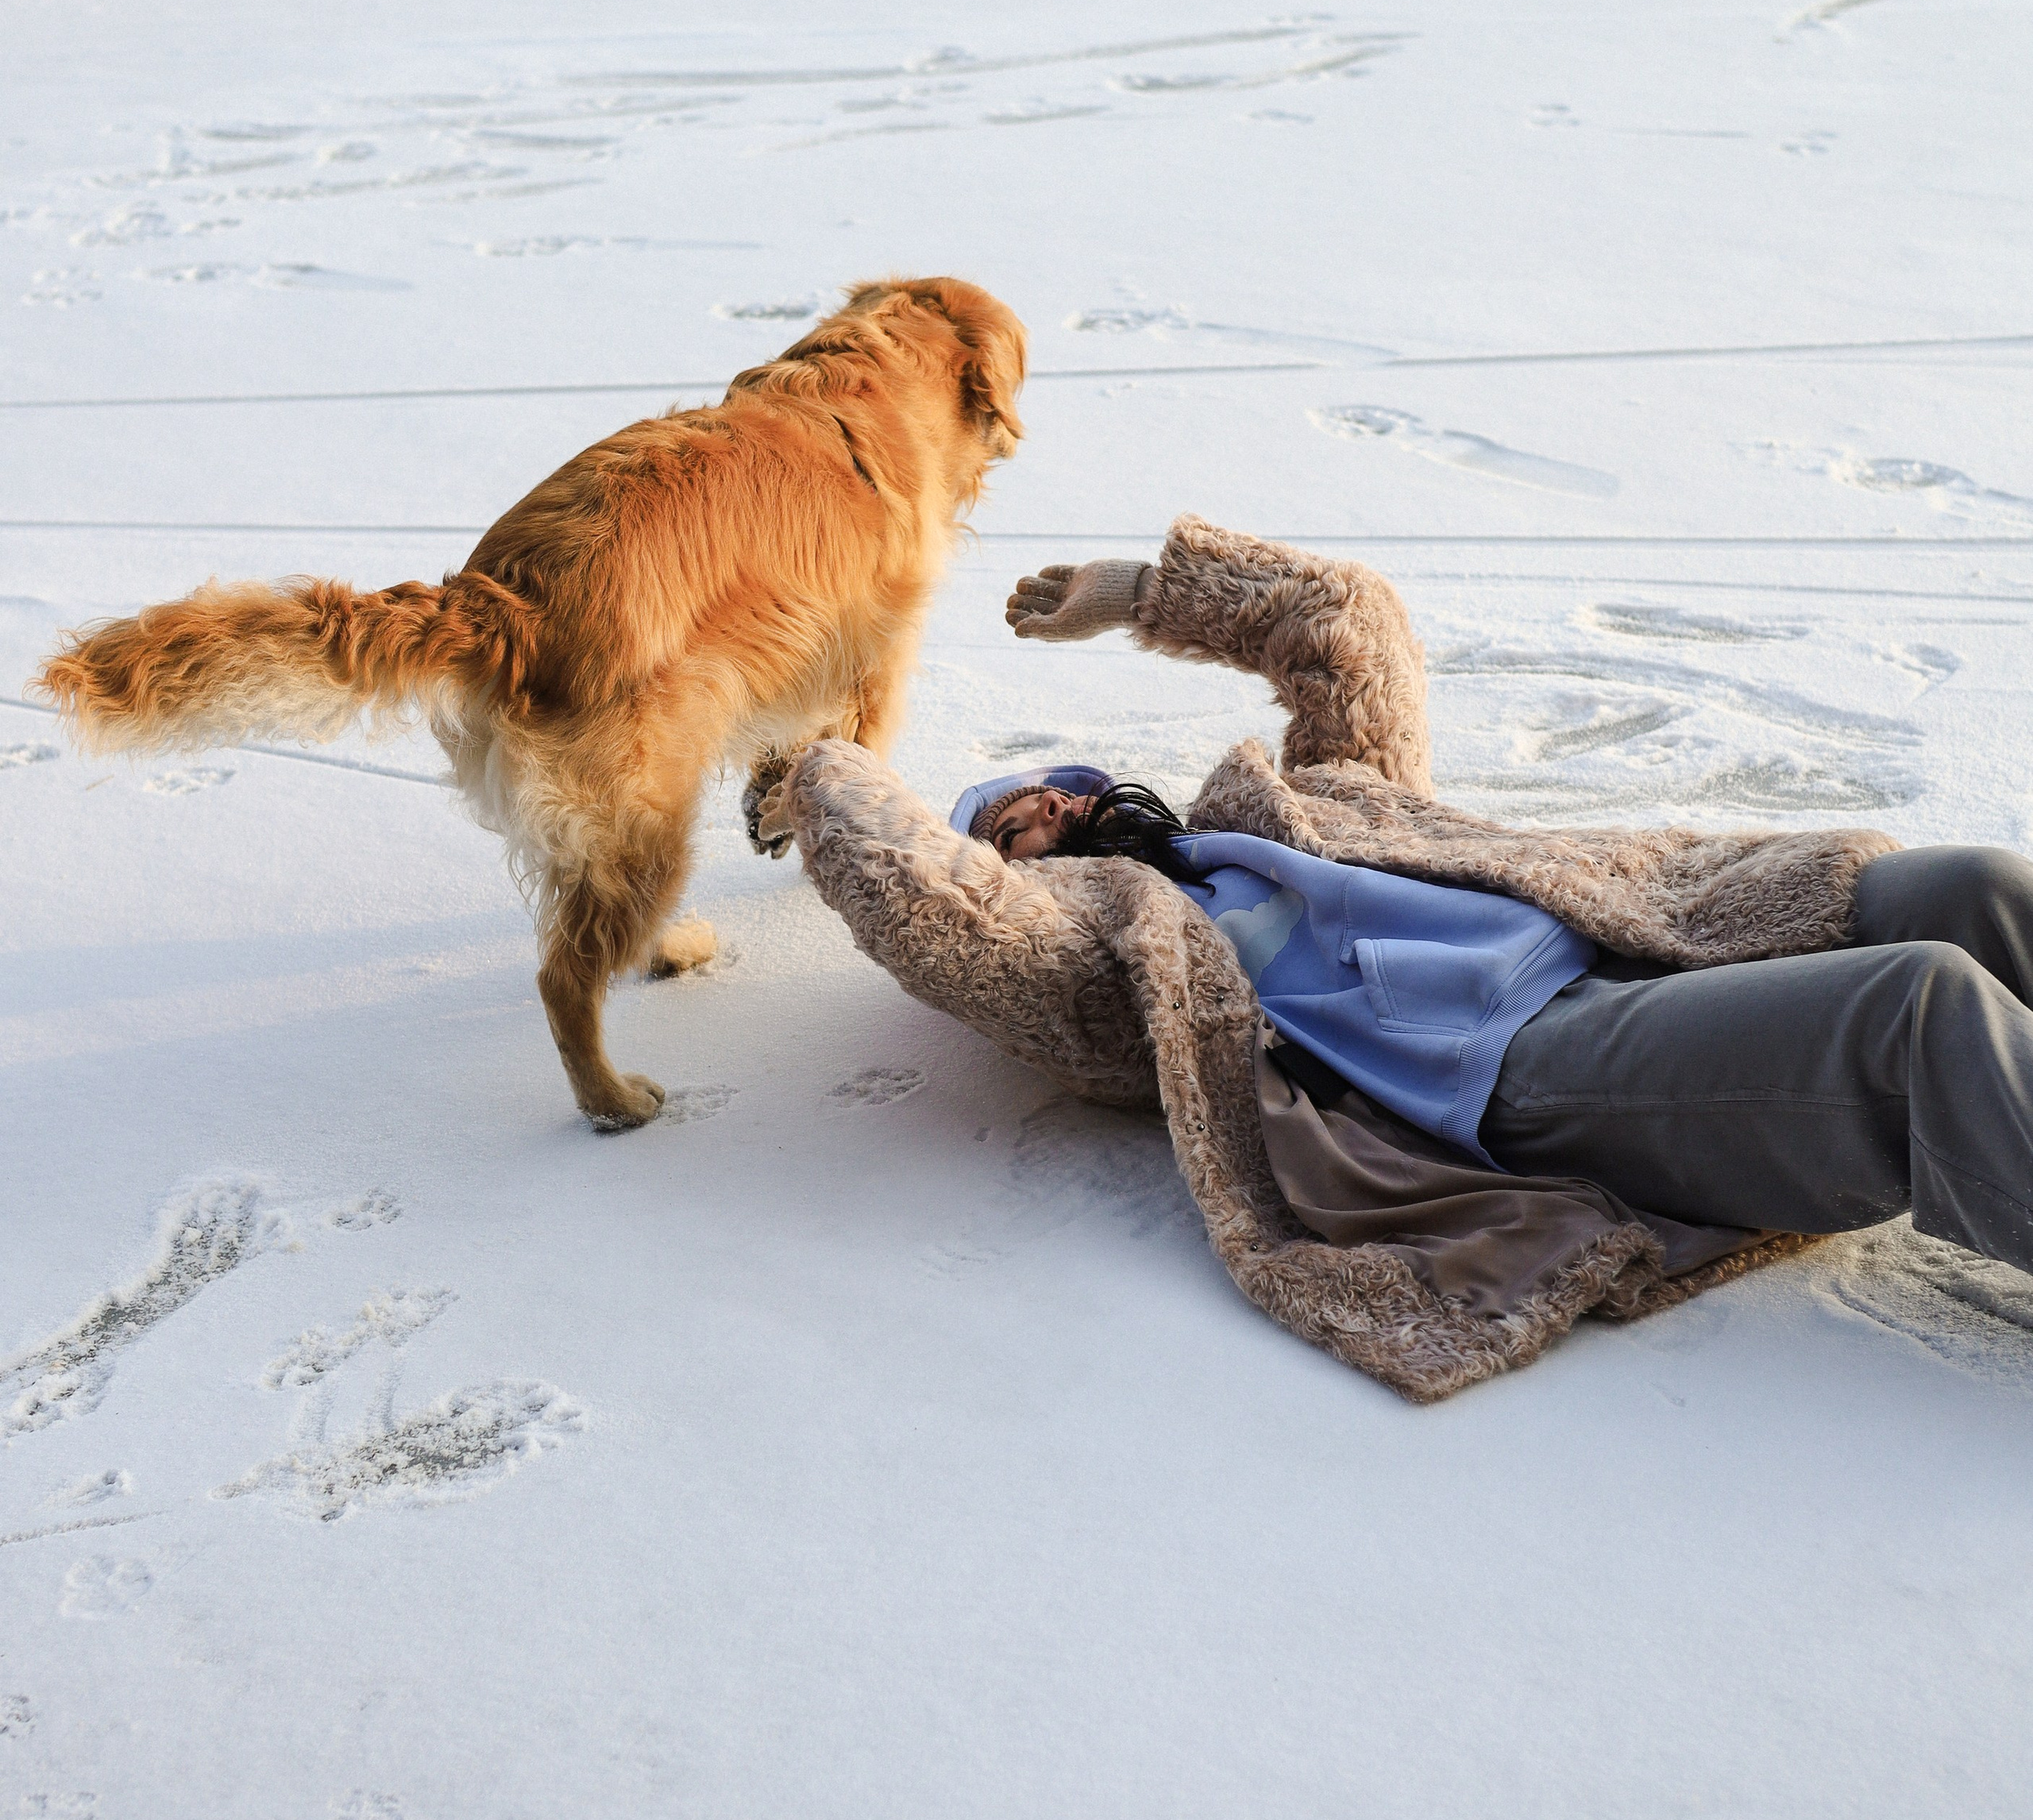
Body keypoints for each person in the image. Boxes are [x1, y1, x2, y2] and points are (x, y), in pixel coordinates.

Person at [760, 519, 2033, 1398]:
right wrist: (821, 771)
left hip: (1645, 931)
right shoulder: (1113, 961)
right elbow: (934, 907)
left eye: (1039, 792)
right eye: (1001, 827)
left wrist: (1141, 591)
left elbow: (1346, 622)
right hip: (1526, 1064)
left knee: (1978, 889)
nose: (1030, 816)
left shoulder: (1312, 801)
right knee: (1918, 1018)